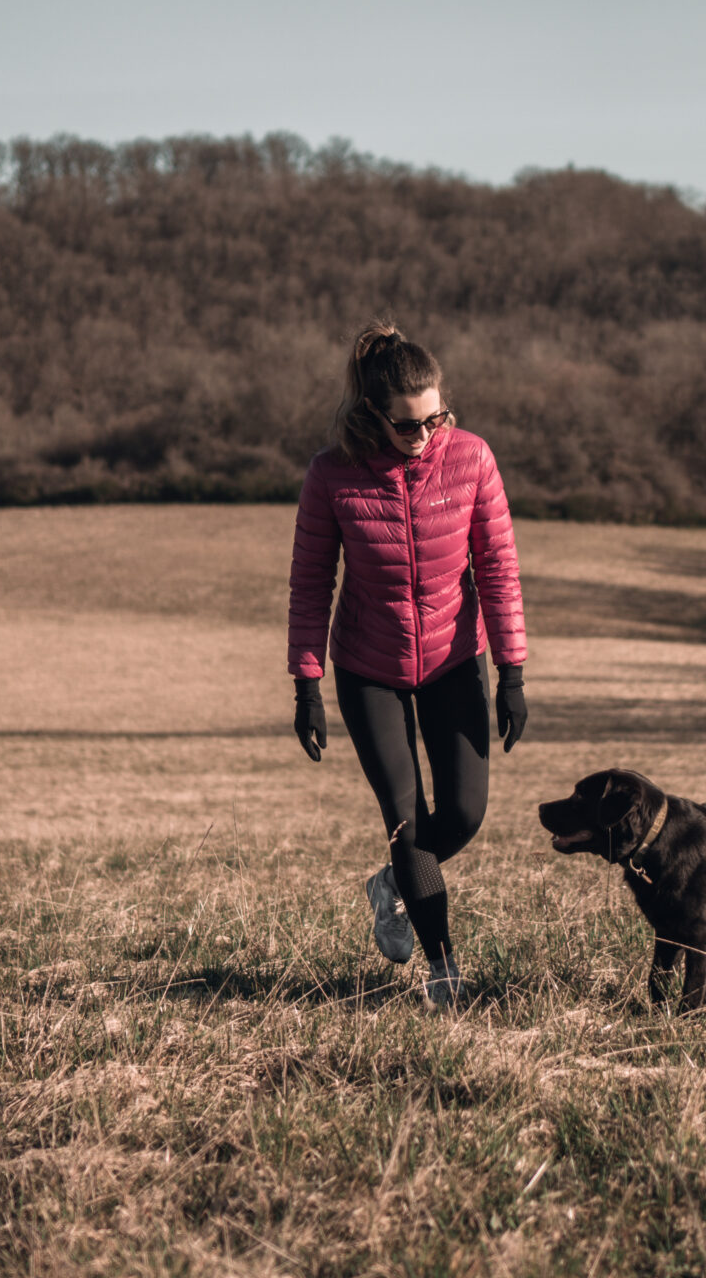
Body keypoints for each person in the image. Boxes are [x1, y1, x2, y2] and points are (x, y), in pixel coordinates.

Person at [287, 321, 528, 1010]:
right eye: (406, 425)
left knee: (464, 811)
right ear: (373, 416)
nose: (424, 435)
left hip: (455, 660)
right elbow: (311, 583)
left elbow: (500, 568)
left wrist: (512, 672)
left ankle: (394, 883)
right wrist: (307, 683)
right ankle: (444, 971)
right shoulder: (332, 474)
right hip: (370, 669)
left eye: (435, 419)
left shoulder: (473, 459)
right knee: (406, 821)